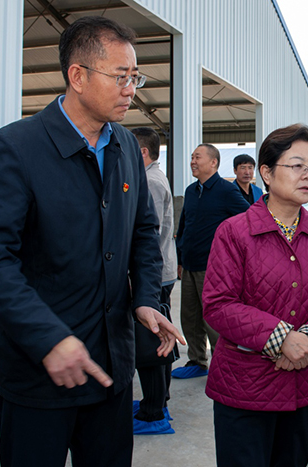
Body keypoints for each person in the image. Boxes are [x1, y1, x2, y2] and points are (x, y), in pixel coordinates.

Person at [0, 16, 184, 466]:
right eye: (120, 77)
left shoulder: (124, 146)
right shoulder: (15, 147)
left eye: (135, 77)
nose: (131, 89)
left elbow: (144, 231)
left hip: (110, 367)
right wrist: (49, 339)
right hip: (39, 371)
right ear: (78, 76)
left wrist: (145, 299)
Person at [202, 124, 308, 466]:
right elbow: (218, 305)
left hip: (303, 388)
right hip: (244, 389)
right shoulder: (234, 233)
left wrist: (307, 339)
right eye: (296, 165)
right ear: (266, 171)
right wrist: (280, 338)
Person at [173, 144, 250, 379]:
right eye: (191, 157)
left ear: (213, 163)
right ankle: (197, 360)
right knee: (190, 316)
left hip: (213, 267)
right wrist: (179, 257)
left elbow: (248, 219)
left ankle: (223, 362)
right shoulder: (190, 190)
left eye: (198, 157)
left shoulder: (226, 190)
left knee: (213, 319)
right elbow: (184, 226)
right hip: (189, 263)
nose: (193, 161)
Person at [131, 127, 178, 435]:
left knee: (150, 347)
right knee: (160, 339)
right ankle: (159, 400)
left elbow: (146, 233)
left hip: (153, 275)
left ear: (143, 152)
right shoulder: (154, 177)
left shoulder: (148, 181)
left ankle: (153, 412)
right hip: (162, 271)